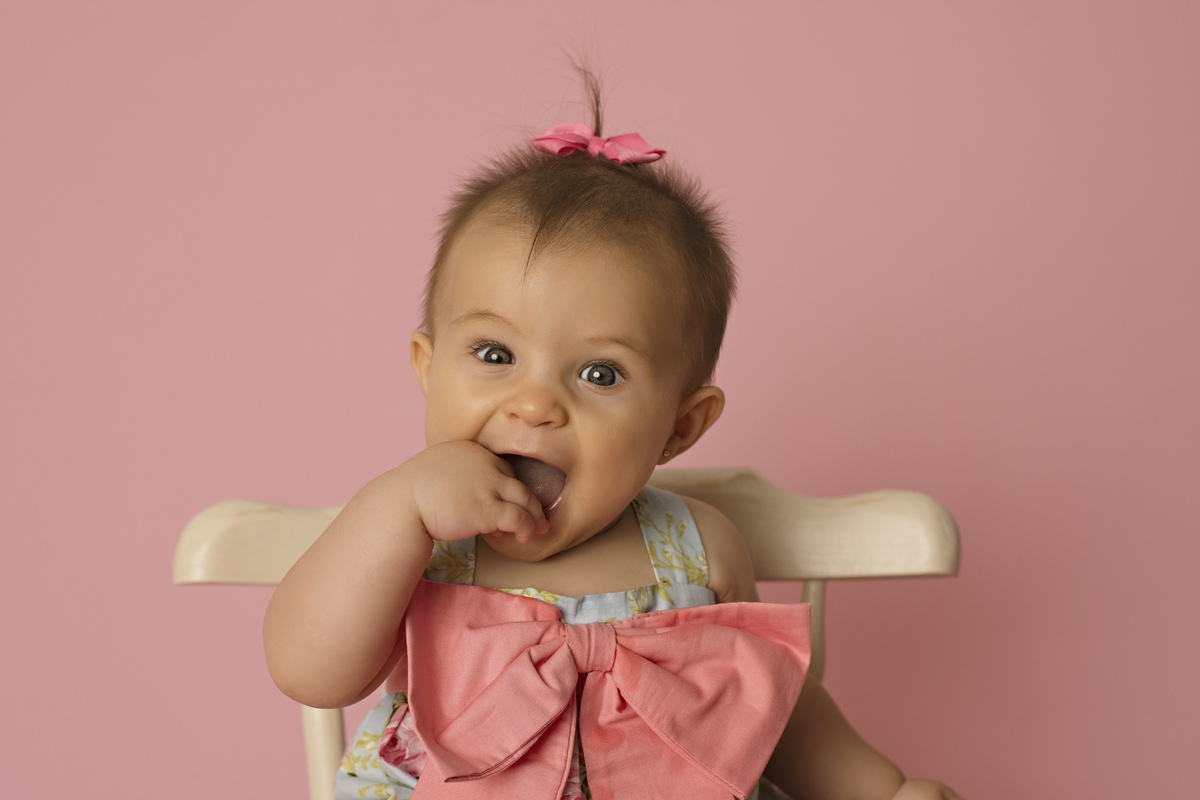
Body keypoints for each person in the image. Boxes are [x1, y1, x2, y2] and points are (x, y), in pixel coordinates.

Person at [262, 83, 964, 800]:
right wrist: (397, 509)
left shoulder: (699, 549)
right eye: (495, 355)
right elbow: (310, 671)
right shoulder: (420, 545)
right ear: (428, 367)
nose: (535, 405)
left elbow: (771, 707)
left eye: (600, 373)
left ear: (680, 426)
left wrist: (881, 789)